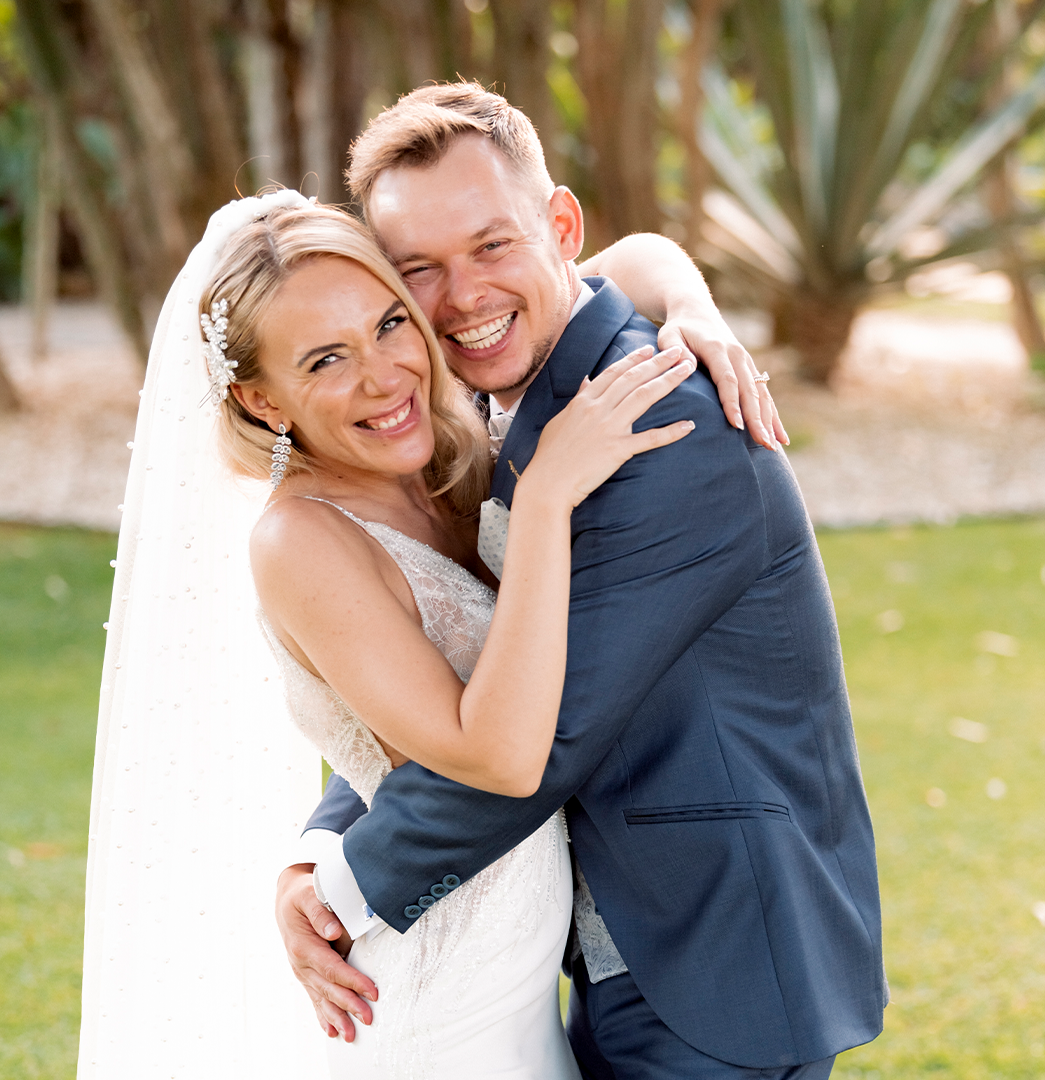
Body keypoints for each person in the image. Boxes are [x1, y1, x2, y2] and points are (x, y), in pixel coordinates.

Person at [77, 175, 764, 1077]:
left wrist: (691, 303)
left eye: (389, 323)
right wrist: (550, 494)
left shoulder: (451, 446)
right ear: (261, 402)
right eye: (324, 361)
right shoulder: (300, 541)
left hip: (529, 984)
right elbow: (502, 757)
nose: (383, 374)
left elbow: (623, 260)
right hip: (436, 996)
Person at [277, 83, 886, 1079]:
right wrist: (316, 844)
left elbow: (539, 739)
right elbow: (452, 671)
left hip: (716, 954)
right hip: (606, 947)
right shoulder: (502, 409)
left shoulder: (663, 425)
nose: (463, 294)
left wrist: (340, 895)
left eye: (491, 246)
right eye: (419, 269)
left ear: (560, 224)